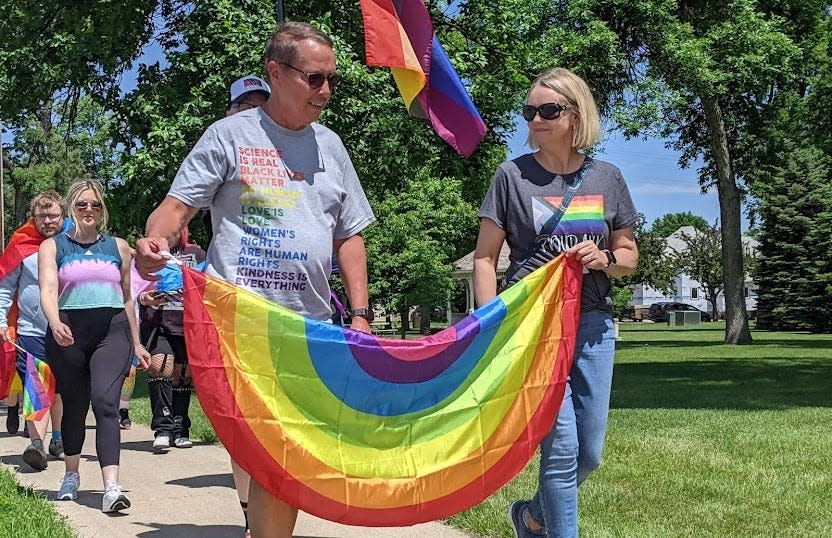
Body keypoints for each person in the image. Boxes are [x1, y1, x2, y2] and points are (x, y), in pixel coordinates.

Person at [135, 22, 375, 538]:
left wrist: (359, 313)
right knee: (273, 450)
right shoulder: (229, 136)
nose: (326, 92)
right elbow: (176, 208)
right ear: (276, 72)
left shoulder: (331, 147)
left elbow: (350, 236)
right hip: (241, 322)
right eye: (315, 78)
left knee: (289, 454)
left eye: (331, 79)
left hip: (309, 328)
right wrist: (156, 239)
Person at [472, 67, 639, 538]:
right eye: (530, 112)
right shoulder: (512, 176)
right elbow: (485, 259)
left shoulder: (607, 177)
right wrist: (491, 322)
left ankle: (532, 518)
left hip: (593, 326)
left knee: (589, 452)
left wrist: (604, 257)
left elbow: (629, 256)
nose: (536, 120)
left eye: (548, 110)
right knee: (562, 447)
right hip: (533, 326)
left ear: (575, 113)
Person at [39, 180, 150, 513]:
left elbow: (128, 298)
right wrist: (55, 321)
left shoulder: (118, 247)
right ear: (72, 208)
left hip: (111, 330)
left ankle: (111, 487)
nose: (89, 211)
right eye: (83, 205)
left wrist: (137, 342)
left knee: (106, 403)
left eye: (96, 205)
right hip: (69, 331)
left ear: (103, 211)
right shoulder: (54, 247)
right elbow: (47, 289)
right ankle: (71, 474)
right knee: (74, 405)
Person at [220, 73, 271, 537]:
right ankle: (248, 513)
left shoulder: (296, 151)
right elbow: (182, 207)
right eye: (246, 105)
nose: (255, 112)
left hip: (290, 311)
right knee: (243, 421)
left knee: (277, 420)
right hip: (234, 307)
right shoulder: (219, 150)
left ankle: (270, 510)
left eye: (263, 103)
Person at [0, 191, 66, 470]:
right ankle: (36, 444)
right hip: (31, 329)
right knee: (37, 384)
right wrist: (2, 321)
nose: (48, 220)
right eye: (42, 216)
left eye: (53, 215)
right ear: (34, 217)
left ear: (63, 215)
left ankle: (59, 438)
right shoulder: (22, 245)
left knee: (60, 389)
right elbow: (5, 286)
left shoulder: (73, 244)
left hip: (67, 329)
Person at [136, 229, 205, 452]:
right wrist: (144, 297)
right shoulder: (149, 254)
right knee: (161, 367)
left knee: (182, 375)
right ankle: (162, 429)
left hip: (188, 324)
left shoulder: (197, 254)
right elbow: (135, 285)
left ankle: (180, 427)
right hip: (158, 322)